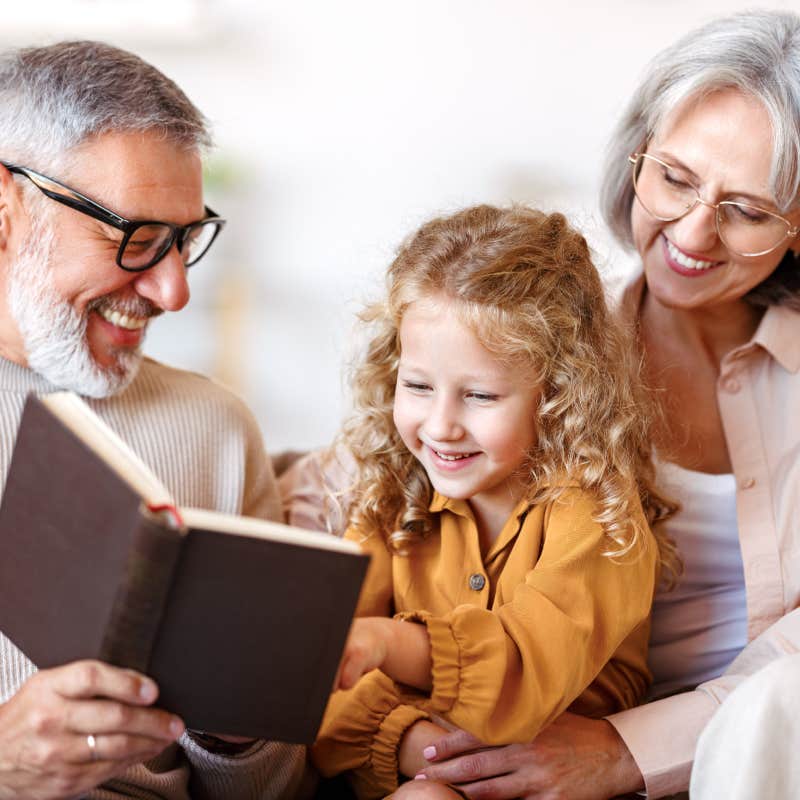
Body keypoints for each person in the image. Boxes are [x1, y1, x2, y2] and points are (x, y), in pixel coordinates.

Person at [281, 8, 800, 799]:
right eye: (675, 178)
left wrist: (627, 752)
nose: (693, 230)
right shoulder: (537, 343)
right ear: (637, 160)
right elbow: (340, 521)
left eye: (748, 209)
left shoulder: (592, 498)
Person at [0, 41, 309, 799]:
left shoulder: (215, 427)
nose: (173, 292)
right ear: (6, 211)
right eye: (135, 237)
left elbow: (273, 792)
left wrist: (238, 732)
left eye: (184, 241)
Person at [307, 204, 679, 799]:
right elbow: (317, 684)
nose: (441, 425)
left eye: (479, 395)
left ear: (558, 394)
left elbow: (524, 673)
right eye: (418, 386)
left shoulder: (597, 513)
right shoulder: (391, 494)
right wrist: (411, 741)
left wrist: (386, 642)